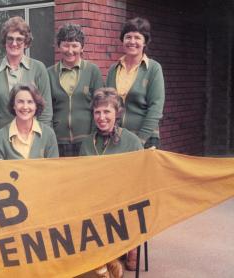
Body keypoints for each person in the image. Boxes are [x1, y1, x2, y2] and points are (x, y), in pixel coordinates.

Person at [79, 88, 142, 277]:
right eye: (97, 112)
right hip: (94, 203)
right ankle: (106, 264)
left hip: (122, 203)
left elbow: (139, 179)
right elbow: (81, 179)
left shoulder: (131, 141)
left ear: (117, 113)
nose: (102, 117)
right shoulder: (87, 143)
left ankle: (106, 260)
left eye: (107, 111)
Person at [0, 16, 52, 147]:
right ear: (4, 41)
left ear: (26, 43)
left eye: (19, 39)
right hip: (2, 140)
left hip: (31, 140)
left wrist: (42, 139)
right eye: (10, 38)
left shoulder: (38, 68)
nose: (14, 43)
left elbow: (46, 110)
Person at [106, 17, 165, 149]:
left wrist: (140, 140)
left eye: (137, 37)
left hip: (146, 138)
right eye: (128, 37)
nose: (132, 41)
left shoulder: (154, 69)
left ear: (145, 42)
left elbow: (156, 108)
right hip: (117, 138)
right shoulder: (113, 69)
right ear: (123, 40)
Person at [48, 23, 104, 157]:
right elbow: (46, 110)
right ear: (59, 46)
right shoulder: (49, 73)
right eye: (66, 45)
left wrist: (94, 136)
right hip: (58, 141)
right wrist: (50, 136)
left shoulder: (92, 71)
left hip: (87, 140)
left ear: (82, 47)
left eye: (75, 45)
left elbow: (100, 105)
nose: (70, 50)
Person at [0, 83, 58, 160]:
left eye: (30, 102)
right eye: (20, 102)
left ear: (36, 105)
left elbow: (53, 169)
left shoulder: (48, 135)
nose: (25, 107)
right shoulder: (0, 137)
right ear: (13, 105)